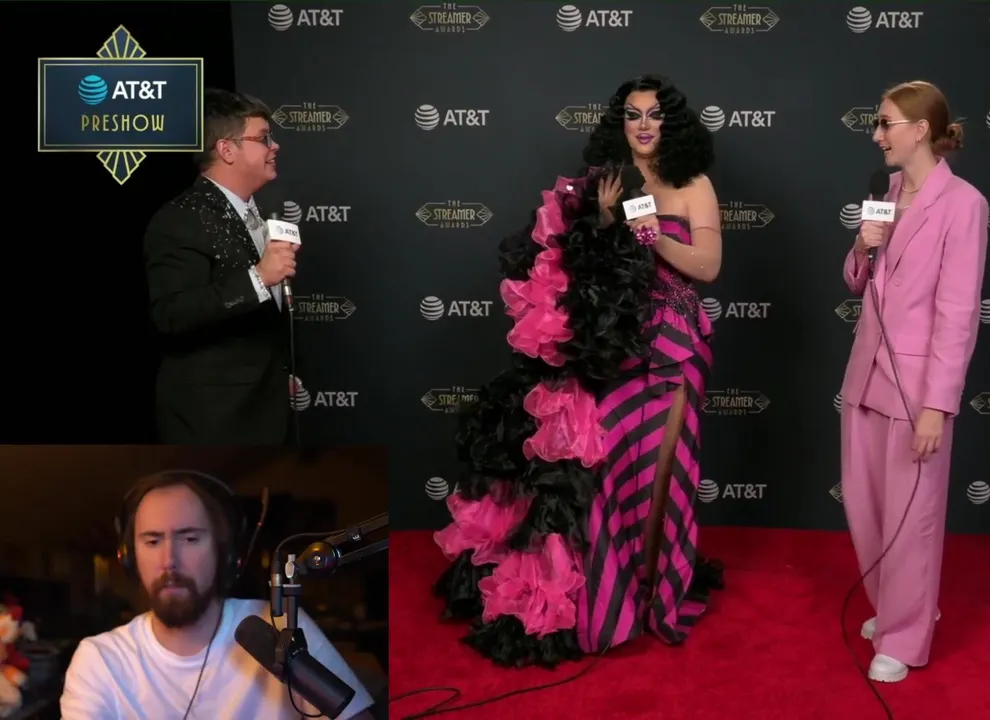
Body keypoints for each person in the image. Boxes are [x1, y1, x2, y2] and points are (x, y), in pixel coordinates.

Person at [431, 73, 724, 667]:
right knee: (610, 474)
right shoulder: (603, 183)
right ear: (621, 124)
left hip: (675, 346)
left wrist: (648, 234)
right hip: (614, 349)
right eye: (633, 115)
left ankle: (654, 593)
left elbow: (708, 266)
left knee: (663, 475)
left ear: (672, 123)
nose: (644, 125)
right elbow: (572, 267)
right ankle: (611, 596)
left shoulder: (694, 184)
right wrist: (607, 222)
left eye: (655, 114)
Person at [839, 80, 988, 683]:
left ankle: (905, 633)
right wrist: (861, 244)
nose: (877, 135)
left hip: (916, 387)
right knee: (868, 508)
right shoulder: (889, 191)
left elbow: (958, 314)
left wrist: (937, 406)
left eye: (885, 123)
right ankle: (897, 607)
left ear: (920, 130)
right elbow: (859, 282)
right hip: (865, 375)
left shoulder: (964, 204)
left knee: (912, 517)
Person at [60, 471, 375, 719]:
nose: (169, 560)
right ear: (129, 558)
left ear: (225, 555)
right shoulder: (100, 659)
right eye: (152, 542)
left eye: (189, 539)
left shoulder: (281, 625)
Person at [144, 88, 297, 445]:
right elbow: (171, 313)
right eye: (263, 138)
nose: (275, 146)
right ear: (227, 150)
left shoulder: (260, 213)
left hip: (269, 412)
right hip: (215, 423)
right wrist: (258, 278)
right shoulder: (180, 218)